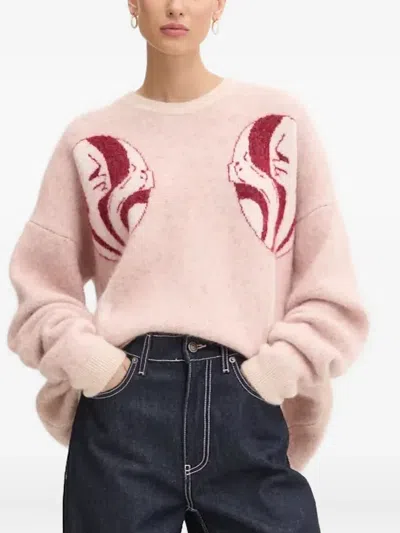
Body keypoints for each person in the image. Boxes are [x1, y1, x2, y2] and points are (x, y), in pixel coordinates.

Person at [6, 1, 370, 531]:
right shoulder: (88, 139)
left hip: (246, 405)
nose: (176, 5)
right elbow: (41, 289)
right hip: (123, 413)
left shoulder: (279, 123)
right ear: (133, 3)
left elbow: (330, 291)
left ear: (219, 4)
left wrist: (271, 375)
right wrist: (98, 368)